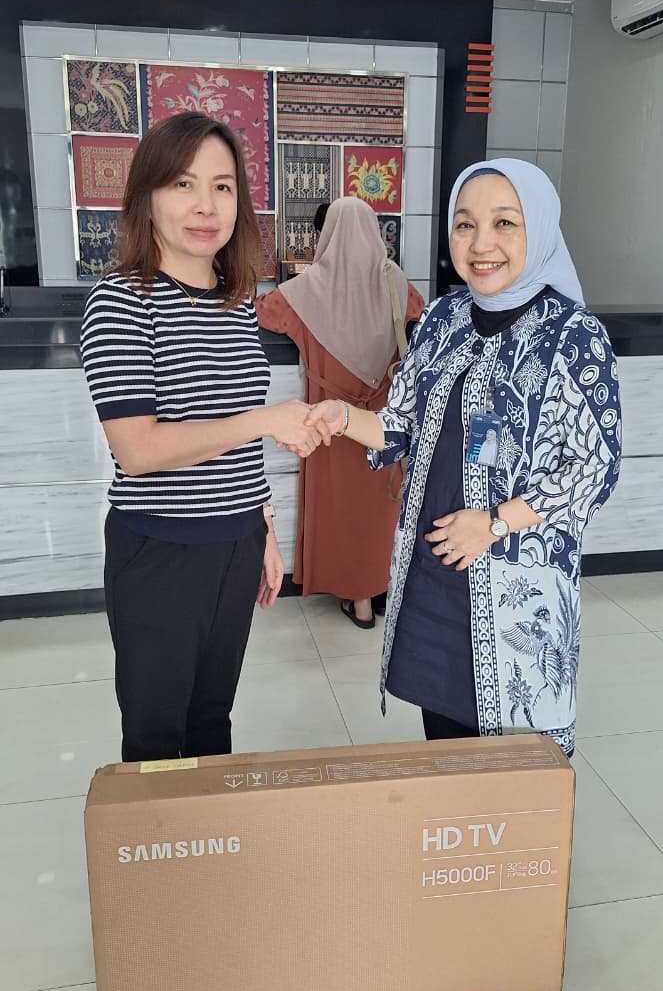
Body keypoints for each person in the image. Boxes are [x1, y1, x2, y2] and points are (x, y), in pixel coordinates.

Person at [305, 159, 621, 755]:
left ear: (539, 229)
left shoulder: (574, 336)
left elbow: (593, 468)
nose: (481, 244)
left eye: (504, 223)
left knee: (512, 762)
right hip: (436, 567)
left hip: (515, 583)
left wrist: (495, 522)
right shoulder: (443, 319)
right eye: (465, 223)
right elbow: (400, 425)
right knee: (446, 744)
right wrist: (342, 417)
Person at [80, 112, 320, 763]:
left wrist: (263, 524)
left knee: (213, 719)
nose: (205, 206)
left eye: (222, 187)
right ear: (148, 196)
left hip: (235, 543)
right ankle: (160, 835)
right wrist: (267, 420)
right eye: (183, 184)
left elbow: (233, 426)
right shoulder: (121, 301)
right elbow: (138, 450)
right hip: (160, 549)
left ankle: (209, 834)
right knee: (157, 735)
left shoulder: (235, 299)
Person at [256, 196, 425, 629]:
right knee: (380, 510)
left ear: (327, 234)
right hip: (382, 423)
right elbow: (420, 313)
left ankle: (358, 600)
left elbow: (261, 313)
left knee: (342, 511)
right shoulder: (395, 281)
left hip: (329, 423)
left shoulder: (306, 290)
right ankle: (380, 588)